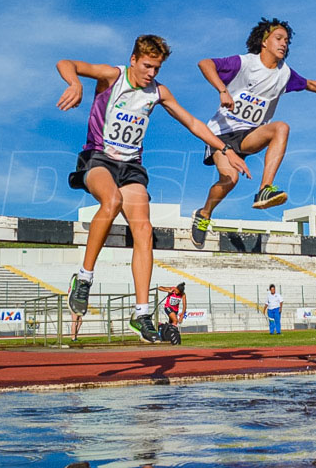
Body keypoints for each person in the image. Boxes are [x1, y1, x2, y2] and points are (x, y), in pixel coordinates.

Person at [58, 35, 251, 343]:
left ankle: (142, 313)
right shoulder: (112, 76)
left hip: (131, 167)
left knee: (144, 230)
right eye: (147, 66)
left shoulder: (158, 93)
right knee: (111, 200)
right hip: (99, 159)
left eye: (157, 68)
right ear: (133, 59)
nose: (151, 73)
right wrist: (75, 83)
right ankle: (83, 279)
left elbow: (192, 123)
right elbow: (66, 63)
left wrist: (225, 149)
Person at [189, 18, 316, 246]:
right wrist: (223, 90)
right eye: (279, 39)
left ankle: (264, 189)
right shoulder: (244, 63)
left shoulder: (284, 74)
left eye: (287, 41)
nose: (284, 44)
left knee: (281, 127)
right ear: (264, 41)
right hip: (221, 133)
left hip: (250, 135)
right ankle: (204, 214)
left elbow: (311, 84)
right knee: (230, 179)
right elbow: (205, 63)